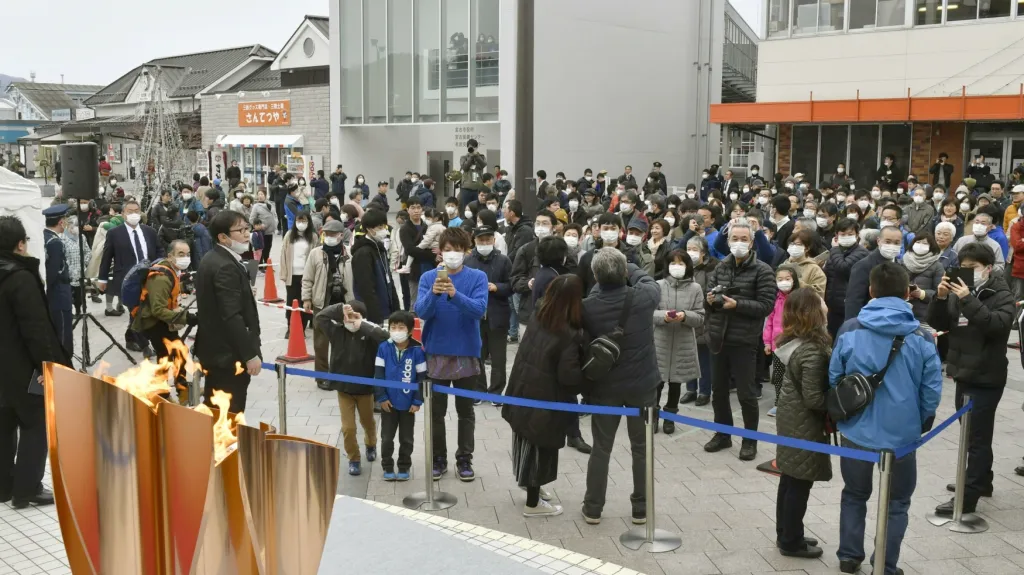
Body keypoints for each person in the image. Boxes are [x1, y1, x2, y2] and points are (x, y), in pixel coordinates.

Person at [830, 262, 942, 575]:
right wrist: (920, 419)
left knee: (854, 493)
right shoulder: (921, 334)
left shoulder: (852, 327)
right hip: (903, 432)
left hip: (856, 427)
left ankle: (849, 556)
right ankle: (886, 564)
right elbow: (931, 388)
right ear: (908, 293)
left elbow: (835, 375)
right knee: (898, 502)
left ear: (870, 291)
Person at [928, 242, 1014, 516]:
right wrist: (941, 298)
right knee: (971, 434)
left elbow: (998, 326)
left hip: (987, 376)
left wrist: (968, 299)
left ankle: (967, 498)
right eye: (963, 268)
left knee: (976, 438)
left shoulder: (1001, 292)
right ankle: (982, 481)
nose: (966, 273)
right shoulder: (957, 292)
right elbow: (941, 325)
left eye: (972, 268)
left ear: (988, 268)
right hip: (962, 371)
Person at [580, 248, 660, 524]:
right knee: (642, 446)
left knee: (601, 447)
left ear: (595, 276)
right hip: (643, 384)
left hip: (606, 387)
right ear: (625, 272)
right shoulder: (644, 296)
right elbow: (647, 279)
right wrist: (630, 267)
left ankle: (593, 506)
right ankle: (641, 507)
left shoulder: (587, 306)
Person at [0, 215, 71, 508]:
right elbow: (36, 327)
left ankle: (4, 486)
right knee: (36, 424)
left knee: (3, 425)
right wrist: (47, 365)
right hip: (23, 367)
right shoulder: (20, 277)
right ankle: (26, 489)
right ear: (20, 244)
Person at [502, 275, 586, 517]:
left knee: (525, 441)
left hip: (522, 388)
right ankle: (532, 504)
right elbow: (569, 377)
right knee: (540, 449)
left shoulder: (540, 313)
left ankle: (530, 489)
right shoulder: (567, 332)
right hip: (545, 398)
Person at [414, 228, 488, 481]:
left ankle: (464, 459)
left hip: (467, 351)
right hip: (436, 352)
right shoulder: (428, 278)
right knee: (436, 411)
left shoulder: (477, 277)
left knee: (465, 411)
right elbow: (421, 312)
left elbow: (479, 310)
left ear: (466, 251)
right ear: (439, 252)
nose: (452, 254)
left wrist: (455, 295)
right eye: (448, 249)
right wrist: (435, 293)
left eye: (458, 249)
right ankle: (438, 458)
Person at [703, 221, 776, 461]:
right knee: (719, 391)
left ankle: (749, 440)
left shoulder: (763, 270)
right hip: (718, 338)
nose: (739, 243)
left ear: (752, 242)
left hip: (744, 340)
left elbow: (766, 306)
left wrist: (738, 304)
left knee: (746, 394)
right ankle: (722, 435)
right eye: (735, 238)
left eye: (744, 239)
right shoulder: (721, 266)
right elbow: (709, 299)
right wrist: (710, 299)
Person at [774, 287, 832, 560]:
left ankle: (786, 531)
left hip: (789, 418)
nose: (826, 308)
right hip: (804, 423)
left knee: (789, 477)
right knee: (799, 483)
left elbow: (785, 386)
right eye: (822, 304)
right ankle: (791, 541)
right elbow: (813, 398)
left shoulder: (789, 342)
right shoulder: (812, 350)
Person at [195, 210, 262, 413]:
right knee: (229, 412)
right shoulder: (225, 266)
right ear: (222, 237)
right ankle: (226, 445)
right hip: (228, 356)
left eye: (247, 228)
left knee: (216, 409)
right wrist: (249, 354)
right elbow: (231, 316)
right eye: (239, 230)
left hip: (214, 351)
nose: (245, 234)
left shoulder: (213, 258)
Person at [314, 301, 386, 476]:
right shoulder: (337, 332)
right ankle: (354, 458)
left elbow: (385, 337)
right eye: (349, 316)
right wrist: (340, 308)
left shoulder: (369, 335)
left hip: (365, 389)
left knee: (368, 422)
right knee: (348, 428)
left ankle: (371, 444)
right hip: (343, 389)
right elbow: (320, 317)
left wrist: (365, 326)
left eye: (356, 317)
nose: (352, 320)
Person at [130, 240, 197, 402]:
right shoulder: (161, 277)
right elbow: (158, 310)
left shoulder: (172, 270)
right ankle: (170, 391)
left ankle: (172, 390)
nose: (185, 258)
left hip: (161, 320)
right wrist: (186, 318)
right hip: (152, 322)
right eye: (180, 254)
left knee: (172, 353)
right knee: (174, 353)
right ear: (170, 256)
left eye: (187, 254)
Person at [97, 199, 164, 352]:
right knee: (137, 310)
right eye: (130, 211)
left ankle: (131, 337)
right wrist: (102, 279)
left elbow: (160, 251)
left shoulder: (149, 231)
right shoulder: (115, 233)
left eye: (136, 211)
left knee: (144, 310)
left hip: (149, 277)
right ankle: (144, 344)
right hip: (127, 279)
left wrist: (161, 267)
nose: (134, 214)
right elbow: (107, 257)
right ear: (123, 214)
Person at [653, 250, 705, 433]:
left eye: (681, 263)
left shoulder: (695, 288)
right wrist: (664, 317)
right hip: (660, 341)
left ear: (687, 266)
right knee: (656, 384)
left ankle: (670, 418)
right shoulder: (658, 285)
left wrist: (685, 316)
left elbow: (700, 316)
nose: (677, 266)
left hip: (683, 343)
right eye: (673, 263)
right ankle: (653, 417)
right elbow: (649, 313)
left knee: (676, 384)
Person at [374, 310, 426, 481]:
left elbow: (422, 377)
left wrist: (417, 400)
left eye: (401, 327)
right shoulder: (383, 348)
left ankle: (404, 466)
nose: (396, 330)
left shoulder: (417, 350)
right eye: (393, 327)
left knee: (407, 438)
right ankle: (387, 466)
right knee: (387, 438)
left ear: (410, 330)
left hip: (408, 403)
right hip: (388, 403)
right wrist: (381, 397)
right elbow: (378, 375)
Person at [302, 220, 354, 389]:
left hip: (343, 303)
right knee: (320, 343)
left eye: (333, 234)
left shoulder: (349, 255)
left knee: (343, 343)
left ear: (341, 235)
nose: (329, 237)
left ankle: (340, 374)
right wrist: (306, 298)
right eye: (327, 234)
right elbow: (307, 278)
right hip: (321, 303)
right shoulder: (316, 254)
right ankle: (322, 376)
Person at [463, 226, 512, 400]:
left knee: (499, 358)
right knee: (477, 356)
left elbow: (512, 285)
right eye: (481, 240)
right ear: (474, 241)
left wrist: (497, 287)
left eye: (488, 240)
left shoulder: (503, 260)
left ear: (493, 240)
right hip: (475, 317)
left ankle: (496, 392)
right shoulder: (468, 261)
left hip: (497, 314)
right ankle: (478, 390)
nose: (485, 243)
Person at [351, 210, 400, 324]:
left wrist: (396, 309)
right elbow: (366, 287)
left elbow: (389, 280)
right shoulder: (363, 253)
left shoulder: (380, 248)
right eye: (379, 227)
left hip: (385, 309)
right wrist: (375, 315)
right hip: (372, 313)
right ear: (368, 229)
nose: (383, 230)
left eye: (384, 226)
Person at [844, 225, 902, 321]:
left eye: (897, 243)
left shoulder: (900, 265)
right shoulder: (863, 265)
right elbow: (854, 301)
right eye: (888, 242)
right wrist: (853, 327)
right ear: (879, 241)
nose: (892, 245)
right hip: (869, 321)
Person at [764, 264, 800, 417]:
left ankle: (796, 405)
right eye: (779, 279)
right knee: (778, 376)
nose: (783, 282)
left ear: (794, 280)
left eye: (787, 278)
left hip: (795, 345)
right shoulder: (775, 299)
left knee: (794, 376)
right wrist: (767, 342)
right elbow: (769, 322)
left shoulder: (799, 298)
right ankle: (779, 403)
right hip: (777, 346)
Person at [685, 237, 716, 406]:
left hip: (704, 318)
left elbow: (712, 293)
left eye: (694, 249)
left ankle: (704, 391)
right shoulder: (682, 268)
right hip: (687, 318)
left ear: (703, 252)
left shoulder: (711, 269)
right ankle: (691, 389)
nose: (690, 252)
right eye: (688, 248)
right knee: (688, 357)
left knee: (703, 359)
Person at [825, 219, 869, 338]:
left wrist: (834, 249)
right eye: (842, 234)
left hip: (848, 307)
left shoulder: (862, 253)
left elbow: (842, 267)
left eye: (850, 234)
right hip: (832, 306)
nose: (846, 237)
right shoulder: (837, 252)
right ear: (836, 235)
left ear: (857, 235)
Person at [43, 205, 73, 355]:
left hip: (55, 294)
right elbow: (53, 272)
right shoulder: (55, 242)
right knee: (63, 333)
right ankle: (65, 365)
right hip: (59, 294)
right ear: (61, 222)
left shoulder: (45, 236)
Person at [281, 212, 318, 334]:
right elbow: (283, 254)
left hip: (307, 276)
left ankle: (301, 327)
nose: (300, 224)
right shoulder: (289, 235)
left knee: (305, 302)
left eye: (304, 221)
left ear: (309, 222)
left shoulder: (313, 237)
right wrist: (284, 273)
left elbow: (316, 257)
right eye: (298, 221)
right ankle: (290, 327)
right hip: (292, 275)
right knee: (291, 301)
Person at [503, 200, 535, 343]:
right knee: (511, 304)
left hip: (520, 273)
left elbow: (517, 252)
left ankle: (524, 335)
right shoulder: (511, 228)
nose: (503, 211)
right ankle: (513, 332)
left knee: (517, 305)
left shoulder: (525, 230)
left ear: (512, 212)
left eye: (505, 209)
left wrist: (503, 261)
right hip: (511, 271)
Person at [61, 213, 91, 317]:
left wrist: (85, 263)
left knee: (80, 294)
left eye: (77, 226)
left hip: (80, 271)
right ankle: (68, 312)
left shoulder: (82, 237)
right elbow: (61, 256)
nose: (75, 229)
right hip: (68, 272)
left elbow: (88, 251)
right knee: (68, 294)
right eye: (73, 226)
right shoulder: (62, 239)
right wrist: (67, 267)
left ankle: (80, 311)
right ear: (68, 226)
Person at [783, 228, 826, 297]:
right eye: (792, 244)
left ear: (807, 248)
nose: (794, 247)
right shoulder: (784, 265)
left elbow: (819, 294)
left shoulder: (814, 269)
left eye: (798, 244)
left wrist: (799, 283)